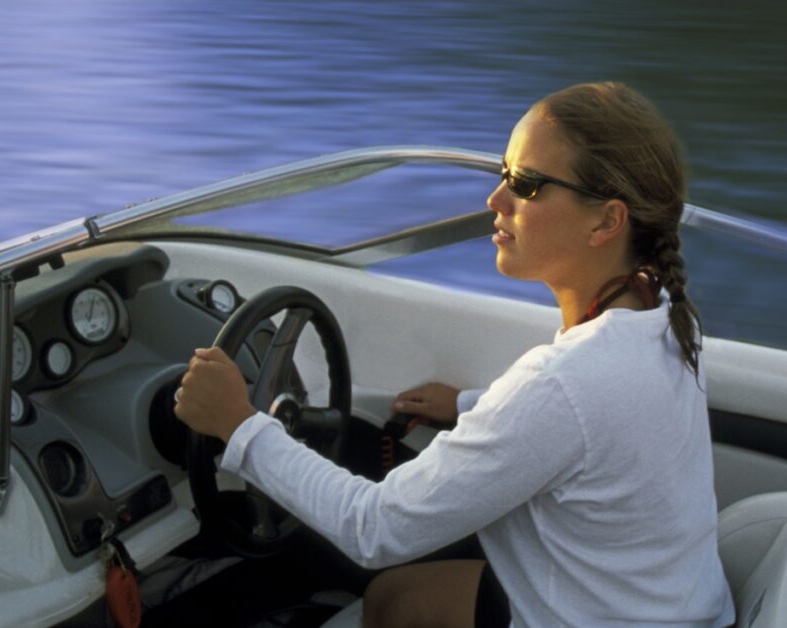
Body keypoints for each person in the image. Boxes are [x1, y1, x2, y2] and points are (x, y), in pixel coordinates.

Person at [175, 82, 736, 627]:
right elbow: (588, 421)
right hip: (663, 605)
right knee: (397, 599)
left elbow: (374, 529)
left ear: (607, 221)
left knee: (389, 592)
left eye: (527, 183)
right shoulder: (661, 312)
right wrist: (470, 403)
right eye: (503, 174)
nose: (495, 199)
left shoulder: (564, 382)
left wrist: (240, 426)